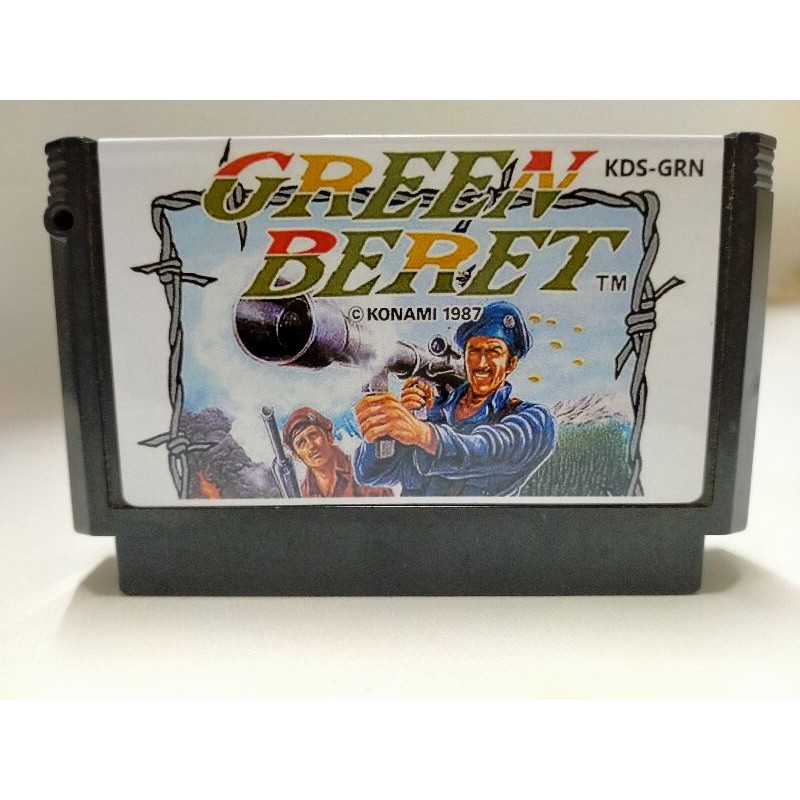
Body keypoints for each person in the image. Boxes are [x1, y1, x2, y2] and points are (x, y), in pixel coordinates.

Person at [353, 301, 556, 497]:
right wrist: (391, 428)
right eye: (474, 351)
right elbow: (370, 475)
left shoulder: (535, 420)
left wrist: (423, 435)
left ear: (511, 363)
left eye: (493, 351)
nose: (481, 363)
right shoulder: (431, 413)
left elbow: (489, 449)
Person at [282, 407, 392, 498]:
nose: (311, 446)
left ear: (329, 437)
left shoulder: (363, 472)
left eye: (314, 435)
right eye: (301, 443)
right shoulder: (304, 492)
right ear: (297, 456)